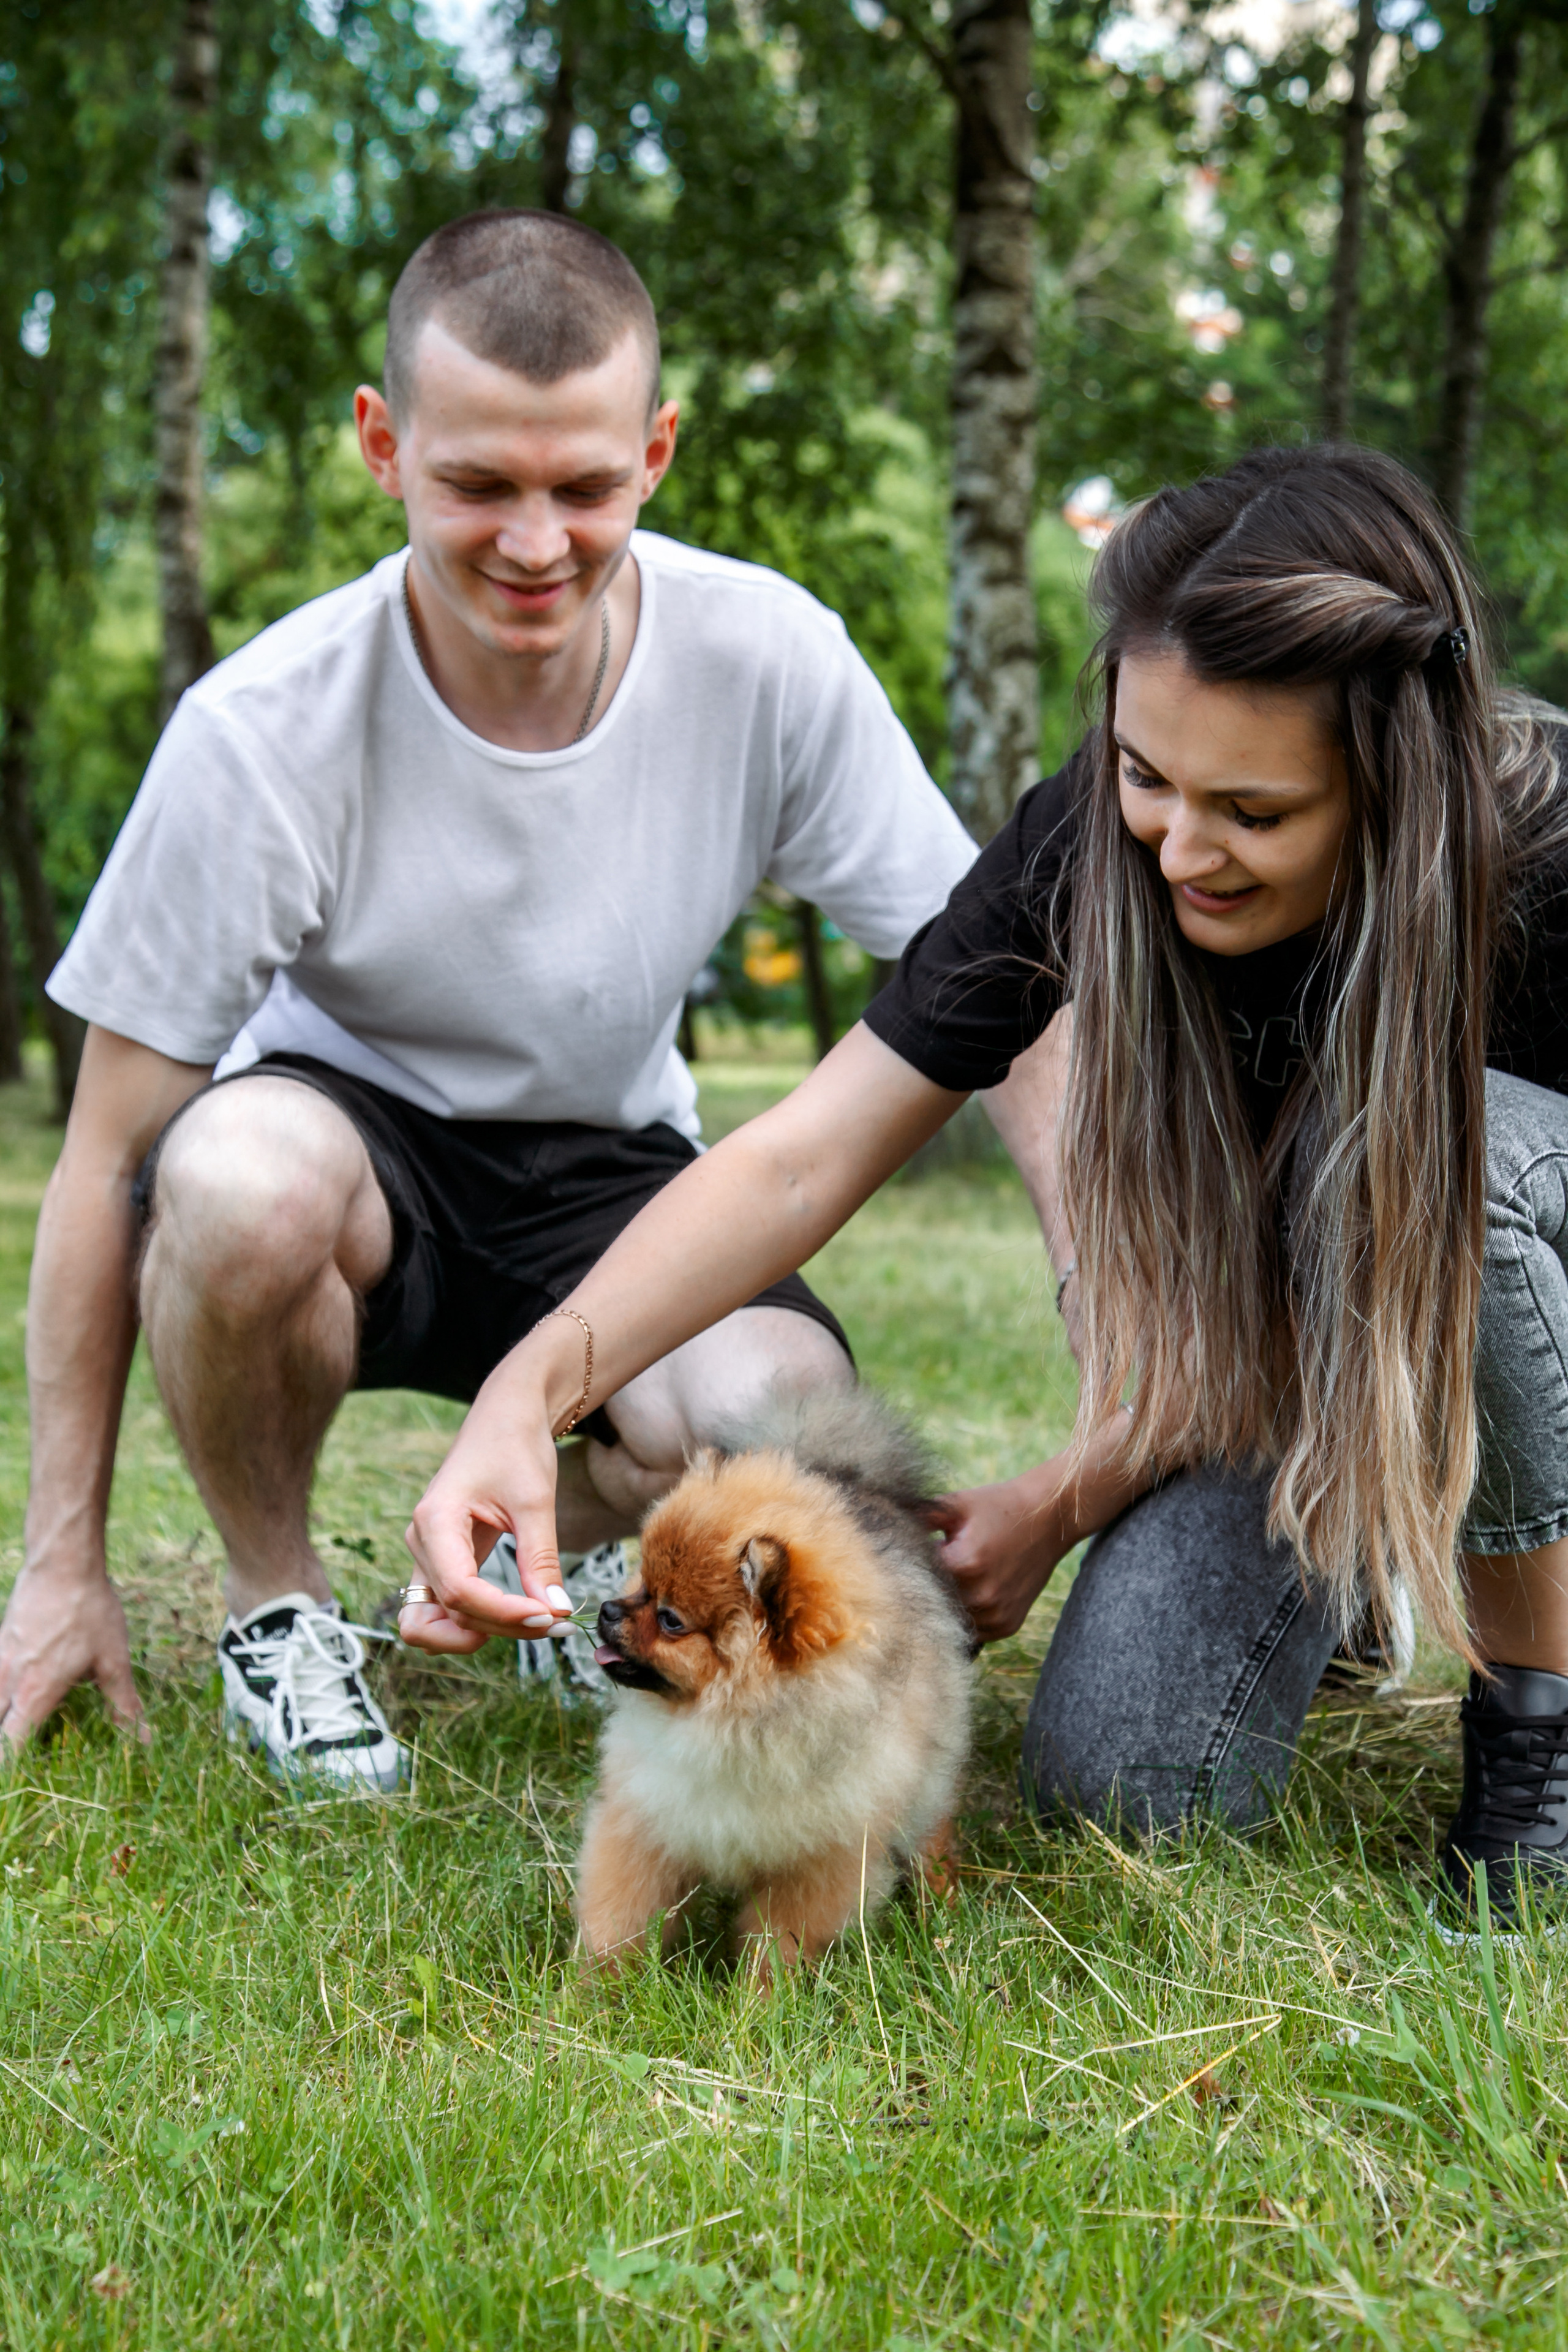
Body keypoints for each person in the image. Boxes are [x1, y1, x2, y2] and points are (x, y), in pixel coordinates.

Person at [404, 442, 1568, 1930]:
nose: (1178, 849)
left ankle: (1534, 1720)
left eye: (1252, 814)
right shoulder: (1092, 851)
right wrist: (527, 1389)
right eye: (1146, 776)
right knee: (1130, 1789)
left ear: (1393, 780)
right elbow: (798, 1152)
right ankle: (1353, 1543)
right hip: (1304, 1361)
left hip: (1512, 1298)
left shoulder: (1537, 866)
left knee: (1445, 1181)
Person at [0, 208, 980, 1781]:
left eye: (584, 486)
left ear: (654, 450)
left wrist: (1112, 1321)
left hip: (609, 1170)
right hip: (350, 1158)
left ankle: (571, 1567)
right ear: (384, 446)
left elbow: (991, 976)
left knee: (780, 1399)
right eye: (477, 486)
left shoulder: (768, 660)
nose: (537, 543)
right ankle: (277, 1612)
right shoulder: (260, 729)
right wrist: (61, 1563)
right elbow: (107, 1160)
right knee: (233, 1180)